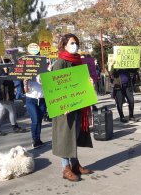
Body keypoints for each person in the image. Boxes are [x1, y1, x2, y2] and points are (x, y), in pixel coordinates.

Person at [52, 33, 93, 182]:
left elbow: (79, 82)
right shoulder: (60, 62)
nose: (74, 45)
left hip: (77, 105)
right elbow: (56, 86)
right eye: (71, 43)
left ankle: (75, 164)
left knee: (73, 136)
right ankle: (66, 168)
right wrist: (62, 104)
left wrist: (87, 82)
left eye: (76, 43)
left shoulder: (78, 61)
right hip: (65, 108)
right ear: (64, 45)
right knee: (65, 137)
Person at [0, 59, 27, 136]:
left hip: (5, 94)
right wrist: (6, 73)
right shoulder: (0, 72)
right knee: (12, 110)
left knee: (2, 112)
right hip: (4, 95)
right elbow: (2, 82)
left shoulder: (3, 71)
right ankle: (14, 127)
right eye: (9, 64)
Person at [24, 75, 46, 148]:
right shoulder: (30, 73)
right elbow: (26, 90)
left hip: (42, 100)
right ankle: (34, 140)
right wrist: (25, 84)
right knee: (35, 120)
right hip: (31, 100)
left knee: (39, 120)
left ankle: (38, 139)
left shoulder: (45, 73)